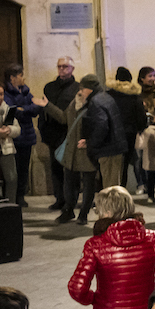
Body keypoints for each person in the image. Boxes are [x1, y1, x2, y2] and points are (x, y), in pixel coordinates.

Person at [44, 84, 98, 225]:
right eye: (80, 90)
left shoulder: (95, 105)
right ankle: (68, 210)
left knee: (88, 184)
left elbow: (100, 127)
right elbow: (64, 118)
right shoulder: (74, 102)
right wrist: (48, 105)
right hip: (72, 151)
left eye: (84, 90)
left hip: (87, 151)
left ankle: (84, 214)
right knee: (69, 183)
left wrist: (90, 141)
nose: (81, 92)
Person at [2, 65, 46, 207]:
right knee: (12, 170)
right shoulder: (6, 93)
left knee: (23, 169)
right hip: (14, 138)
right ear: (12, 78)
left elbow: (36, 108)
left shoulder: (26, 91)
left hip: (27, 136)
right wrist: (26, 109)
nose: (23, 78)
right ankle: (11, 196)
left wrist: (24, 109)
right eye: (21, 75)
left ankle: (20, 195)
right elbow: (13, 111)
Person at [41, 56, 80, 213]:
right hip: (53, 134)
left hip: (69, 133)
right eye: (59, 66)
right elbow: (44, 110)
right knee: (55, 168)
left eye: (65, 66)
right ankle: (60, 199)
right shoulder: (49, 87)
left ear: (72, 69)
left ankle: (71, 200)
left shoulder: (77, 88)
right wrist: (43, 130)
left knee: (71, 170)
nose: (62, 69)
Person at [79, 73, 128, 189]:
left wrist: (92, 143)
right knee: (114, 184)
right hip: (115, 146)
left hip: (108, 149)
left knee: (110, 187)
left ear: (89, 89)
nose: (81, 92)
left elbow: (102, 125)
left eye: (82, 89)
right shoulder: (105, 97)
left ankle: (112, 202)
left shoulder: (95, 101)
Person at [109, 67, 147, 191]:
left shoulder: (109, 95)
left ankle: (111, 190)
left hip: (112, 133)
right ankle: (122, 189)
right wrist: (140, 129)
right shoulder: (134, 96)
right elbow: (141, 117)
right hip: (129, 133)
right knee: (125, 164)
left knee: (112, 164)